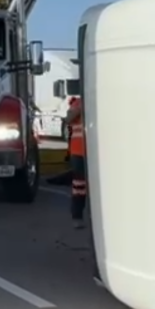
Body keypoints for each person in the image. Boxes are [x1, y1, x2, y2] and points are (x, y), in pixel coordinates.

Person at [66, 95, 87, 229]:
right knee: (79, 186)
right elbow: (68, 119)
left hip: (92, 152)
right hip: (78, 152)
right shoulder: (77, 103)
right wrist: (81, 108)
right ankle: (77, 217)